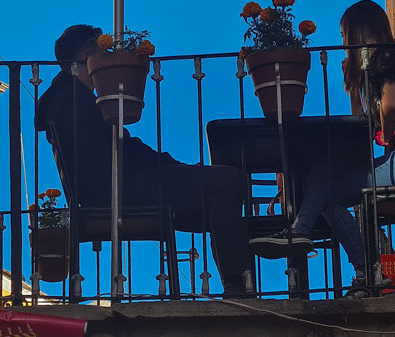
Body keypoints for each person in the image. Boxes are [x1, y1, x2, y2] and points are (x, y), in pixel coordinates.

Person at [35, 25, 251, 295]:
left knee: (217, 196)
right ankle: (236, 284)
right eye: (99, 47)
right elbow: (118, 149)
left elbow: (116, 146)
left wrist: (170, 166)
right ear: (82, 53)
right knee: (228, 180)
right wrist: (172, 166)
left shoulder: (67, 99)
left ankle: (237, 281)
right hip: (120, 188)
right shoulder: (74, 99)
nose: (106, 53)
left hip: (111, 187)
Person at [251, 0, 395, 297]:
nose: (344, 44)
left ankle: (330, 250)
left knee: (326, 187)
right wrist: (354, 85)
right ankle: (312, 237)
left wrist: (389, 134)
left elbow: (390, 105)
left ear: (358, 34)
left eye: (345, 37)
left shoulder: (385, 57)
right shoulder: (379, 64)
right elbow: (362, 125)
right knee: (324, 181)